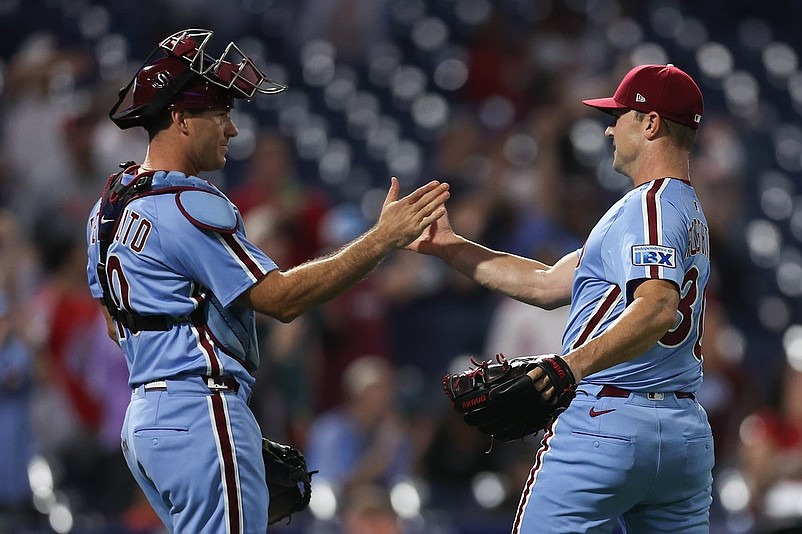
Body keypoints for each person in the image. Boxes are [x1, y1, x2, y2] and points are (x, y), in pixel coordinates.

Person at [84, 29, 449, 534]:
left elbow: (114, 321)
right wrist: (380, 240)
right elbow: (281, 299)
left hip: (145, 420)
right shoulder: (189, 206)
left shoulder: (110, 208)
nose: (232, 130)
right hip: (200, 410)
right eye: (220, 113)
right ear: (180, 119)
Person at [408, 63, 714, 533]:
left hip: (609, 420)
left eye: (620, 116)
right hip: (683, 434)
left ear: (650, 124)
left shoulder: (647, 206)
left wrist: (569, 367)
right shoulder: (686, 209)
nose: (610, 128)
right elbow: (546, 283)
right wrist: (451, 247)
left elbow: (657, 306)